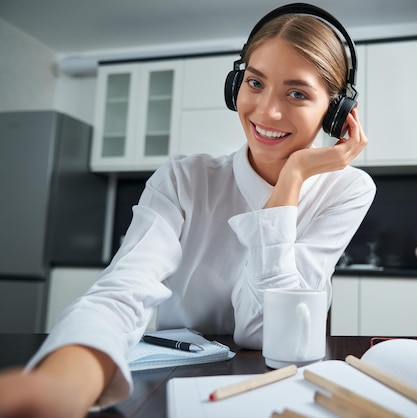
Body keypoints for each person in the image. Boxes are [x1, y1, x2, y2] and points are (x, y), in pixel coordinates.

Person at [0, 4, 375, 417]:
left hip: (282, 390)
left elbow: (266, 332)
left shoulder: (347, 189)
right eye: (255, 82)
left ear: (336, 114)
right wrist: (62, 385)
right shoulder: (183, 178)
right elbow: (124, 288)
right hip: (175, 383)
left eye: (298, 93)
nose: (267, 111)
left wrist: (292, 179)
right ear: (236, 85)